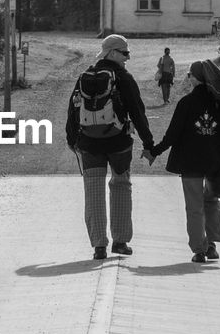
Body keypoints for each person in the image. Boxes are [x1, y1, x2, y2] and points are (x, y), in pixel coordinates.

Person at [65, 34, 156, 260]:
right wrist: (149, 144)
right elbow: (137, 112)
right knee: (121, 186)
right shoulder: (123, 78)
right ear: (113, 53)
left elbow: (73, 109)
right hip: (119, 143)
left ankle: (99, 246)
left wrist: (72, 140)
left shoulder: (84, 76)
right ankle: (120, 241)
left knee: (94, 191)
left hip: (89, 143)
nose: (127, 57)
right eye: (124, 53)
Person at [144, 60, 220, 263]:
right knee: (212, 201)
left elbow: (172, 136)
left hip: (190, 163)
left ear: (195, 78)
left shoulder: (186, 103)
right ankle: (212, 246)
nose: (187, 78)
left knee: (194, 206)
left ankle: (199, 249)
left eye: (189, 75)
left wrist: (154, 152)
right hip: (216, 162)